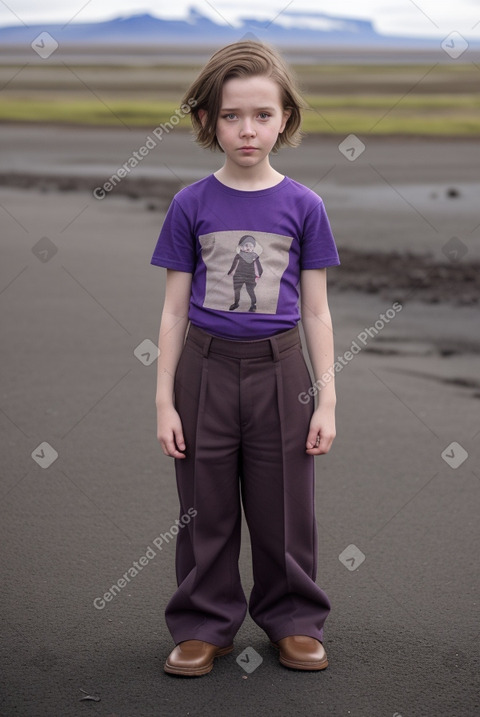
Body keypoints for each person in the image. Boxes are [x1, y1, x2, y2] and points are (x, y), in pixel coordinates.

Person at [151, 39, 340, 677]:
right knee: (203, 505)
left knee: (284, 507)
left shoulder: (305, 205)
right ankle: (205, 624)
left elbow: (315, 311)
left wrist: (328, 400)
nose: (248, 129)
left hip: (283, 370)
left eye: (262, 114)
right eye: (232, 115)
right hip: (203, 369)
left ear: (285, 118)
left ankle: (293, 621)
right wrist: (163, 401)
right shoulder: (190, 203)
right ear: (207, 121)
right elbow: (174, 310)